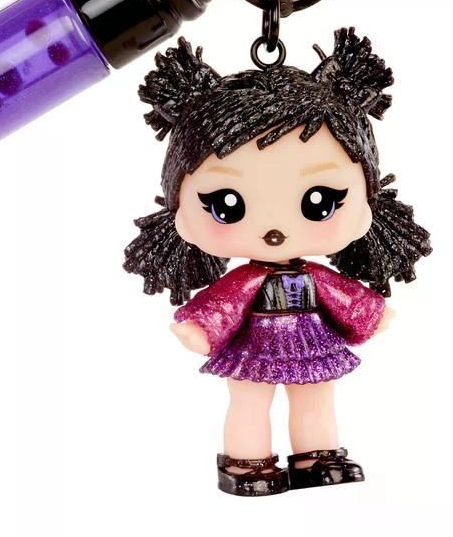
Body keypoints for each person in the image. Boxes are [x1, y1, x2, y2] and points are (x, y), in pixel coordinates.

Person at [124, 29, 431, 496]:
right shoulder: (249, 280)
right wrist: (201, 328)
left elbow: (343, 296)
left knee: (316, 394)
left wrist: (371, 312)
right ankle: (246, 462)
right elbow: (225, 304)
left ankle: (318, 455)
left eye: (320, 201)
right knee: (250, 399)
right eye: (226, 204)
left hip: (311, 342)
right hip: (254, 345)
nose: (274, 229)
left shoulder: (314, 277)